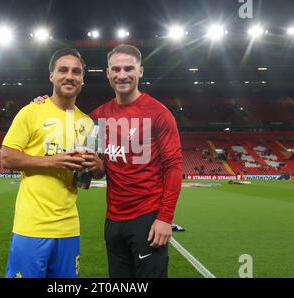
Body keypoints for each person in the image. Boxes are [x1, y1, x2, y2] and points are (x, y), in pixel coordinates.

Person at [34, 45, 183, 278]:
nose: (122, 75)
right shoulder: (99, 116)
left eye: (128, 68)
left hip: (147, 217)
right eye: (116, 69)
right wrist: (45, 102)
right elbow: (96, 165)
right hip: (113, 220)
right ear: (107, 73)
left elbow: (174, 167)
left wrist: (165, 218)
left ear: (140, 71)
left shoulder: (159, 113)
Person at [0, 48, 104, 278]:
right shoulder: (31, 112)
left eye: (76, 72)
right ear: (51, 76)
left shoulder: (88, 124)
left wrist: (98, 167)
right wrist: (52, 162)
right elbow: (6, 157)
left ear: (82, 79)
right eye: (63, 70)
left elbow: (90, 177)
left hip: (69, 227)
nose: (70, 76)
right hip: (32, 225)